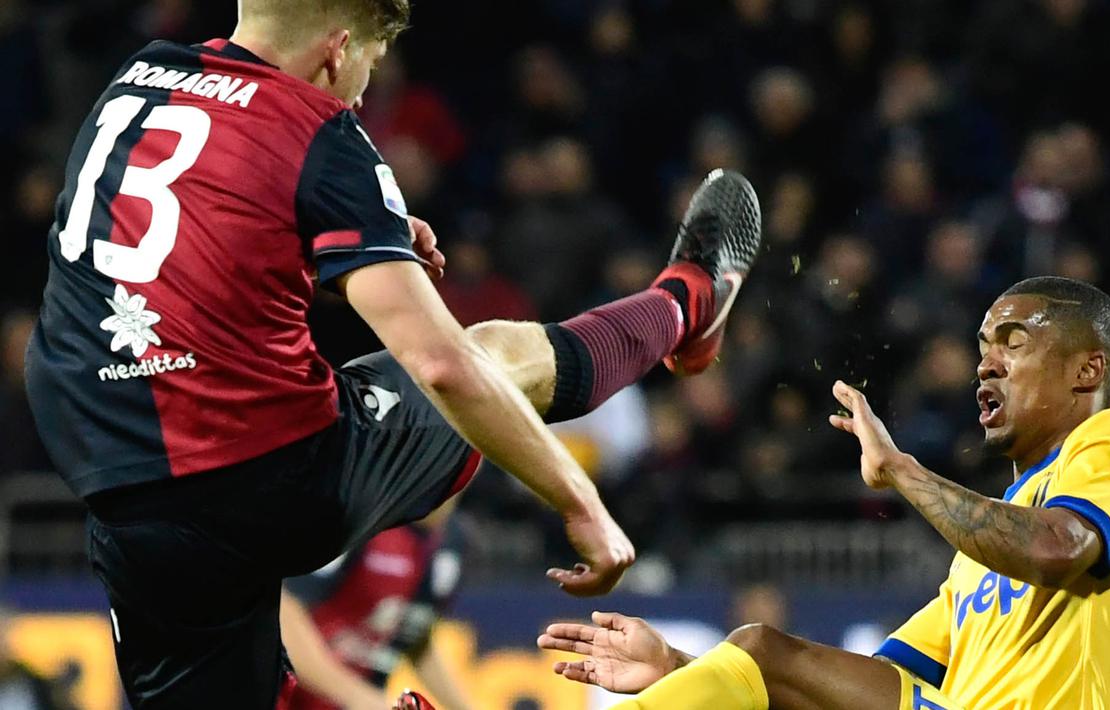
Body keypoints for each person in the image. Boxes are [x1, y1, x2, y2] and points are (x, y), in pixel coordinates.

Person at [23, 1, 763, 708]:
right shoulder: (321, 135)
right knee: (491, 354)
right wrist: (579, 502)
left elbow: (172, 250)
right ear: (339, 48)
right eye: (371, 62)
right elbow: (438, 364)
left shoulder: (137, 81)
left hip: (120, 494)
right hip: (267, 477)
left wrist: (330, 238)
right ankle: (686, 302)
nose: (363, 86)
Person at [540, 277, 1110, 709]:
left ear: (1088, 369)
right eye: (982, 348)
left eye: (1013, 345)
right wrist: (687, 671)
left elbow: (1056, 549)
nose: (985, 364)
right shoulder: (977, 560)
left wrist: (902, 472)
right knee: (759, 650)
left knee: (763, 652)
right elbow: (862, 693)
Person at [280, 501, 476, 710]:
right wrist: (356, 695)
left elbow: (413, 633)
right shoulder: (363, 514)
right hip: (289, 698)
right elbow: (282, 609)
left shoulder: (453, 542)